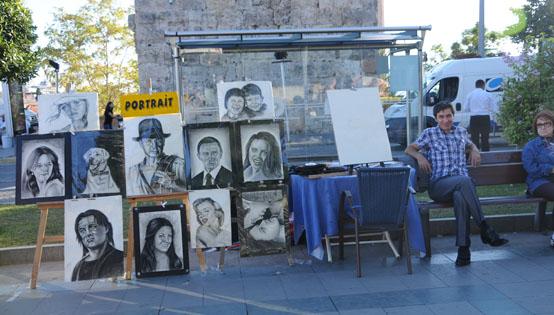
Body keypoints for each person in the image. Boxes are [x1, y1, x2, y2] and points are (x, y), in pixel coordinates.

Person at [405, 101, 508, 267]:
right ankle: (484, 227)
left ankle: (463, 251)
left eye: (449, 116)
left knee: (461, 196)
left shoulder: (461, 131)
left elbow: (469, 144)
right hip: (439, 185)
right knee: (465, 181)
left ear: (453, 116)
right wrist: (420, 156)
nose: (446, 120)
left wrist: (474, 149)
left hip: (461, 186)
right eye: (441, 117)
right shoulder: (429, 134)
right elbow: (409, 149)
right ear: (436, 118)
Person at [127, 118, 186, 196]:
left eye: (158, 140)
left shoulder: (178, 165)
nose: (154, 146)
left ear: (163, 141)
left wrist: (173, 185)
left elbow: (193, 192)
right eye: (149, 141)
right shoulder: (133, 172)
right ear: (141, 143)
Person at [522, 109, 554, 247]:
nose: (543, 127)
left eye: (547, 123)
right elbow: (531, 169)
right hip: (538, 183)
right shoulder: (531, 146)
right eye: (539, 125)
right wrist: (551, 169)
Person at [71, 209, 124, 281]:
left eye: (92, 227)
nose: (88, 233)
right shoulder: (79, 267)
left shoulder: (118, 258)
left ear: (106, 228)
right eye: (82, 230)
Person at [465, 79, 497, 151]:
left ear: (475, 86)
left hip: (474, 118)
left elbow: (465, 108)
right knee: (485, 138)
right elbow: (493, 108)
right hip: (485, 117)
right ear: (483, 85)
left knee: (474, 138)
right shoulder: (488, 94)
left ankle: (475, 156)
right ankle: (486, 156)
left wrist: (473, 109)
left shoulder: (470, 95)